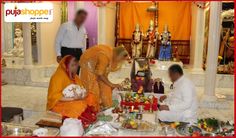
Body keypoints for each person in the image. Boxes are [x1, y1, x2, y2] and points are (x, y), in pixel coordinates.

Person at [79, 45, 130, 109]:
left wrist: (111, 85)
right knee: (92, 90)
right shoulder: (105, 56)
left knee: (106, 86)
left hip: (96, 66)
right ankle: (92, 110)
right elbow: (100, 75)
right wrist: (112, 84)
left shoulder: (112, 53)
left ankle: (106, 106)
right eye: (120, 60)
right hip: (88, 65)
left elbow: (103, 73)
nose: (119, 62)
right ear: (118, 56)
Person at [55, 9, 88, 73]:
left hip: (79, 53)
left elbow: (84, 42)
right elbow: (58, 40)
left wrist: (84, 54)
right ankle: (67, 83)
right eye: (81, 17)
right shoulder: (65, 26)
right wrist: (58, 54)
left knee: (76, 72)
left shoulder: (83, 28)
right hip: (67, 52)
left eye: (84, 18)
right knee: (67, 72)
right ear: (76, 16)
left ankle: (74, 83)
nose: (82, 19)